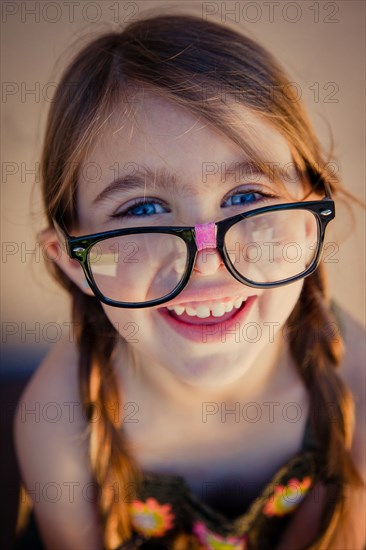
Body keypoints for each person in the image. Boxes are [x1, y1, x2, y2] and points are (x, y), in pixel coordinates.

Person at [14, 13, 365, 550]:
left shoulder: (355, 385)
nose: (205, 262)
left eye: (246, 197)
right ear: (72, 260)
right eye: (144, 209)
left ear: (314, 214)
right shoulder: (56, 423)